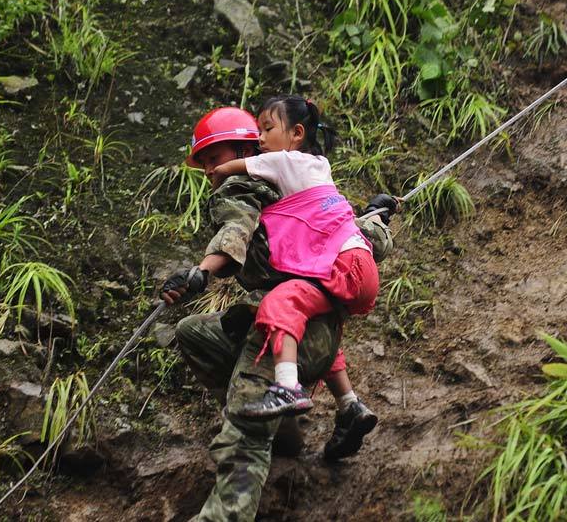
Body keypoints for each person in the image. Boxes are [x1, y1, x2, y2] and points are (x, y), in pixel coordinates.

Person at [160, 107, 398, 520]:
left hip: (290, 328)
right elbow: (345, 237)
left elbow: (235, 232)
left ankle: (228, 503)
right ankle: (284, 432)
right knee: (194, 332)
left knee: (245, 417)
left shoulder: (242, 186)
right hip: (315, 330)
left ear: (243, 149)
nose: (210, 171)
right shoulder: (296, 184)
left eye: (214, 158)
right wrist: (377, 220)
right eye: (205, 164)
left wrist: (201, 272)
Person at [210, 96, 379, 424]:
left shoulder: (286, 161)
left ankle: (288, 387)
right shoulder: (320, 166)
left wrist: (219, 176)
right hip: (360, 264)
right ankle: (350, 404)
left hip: (342, 265)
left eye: (267, 129)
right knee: (306, 322)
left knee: (279, 305)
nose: (260, 140)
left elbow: (231, 168)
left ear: (297, 133)